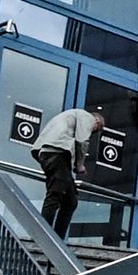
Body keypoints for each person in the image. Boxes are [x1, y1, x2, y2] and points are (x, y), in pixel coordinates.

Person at [31, 101, 97, 236]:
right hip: (58, 153)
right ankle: (43, 235)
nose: (94, 131)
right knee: (55, 194)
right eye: (97, 128)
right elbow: (82, 140)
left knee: (70, 201)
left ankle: (57, 238)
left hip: (49, 153)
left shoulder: (68, 116)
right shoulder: (87, 117)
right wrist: (79, 165)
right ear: (96, 121)